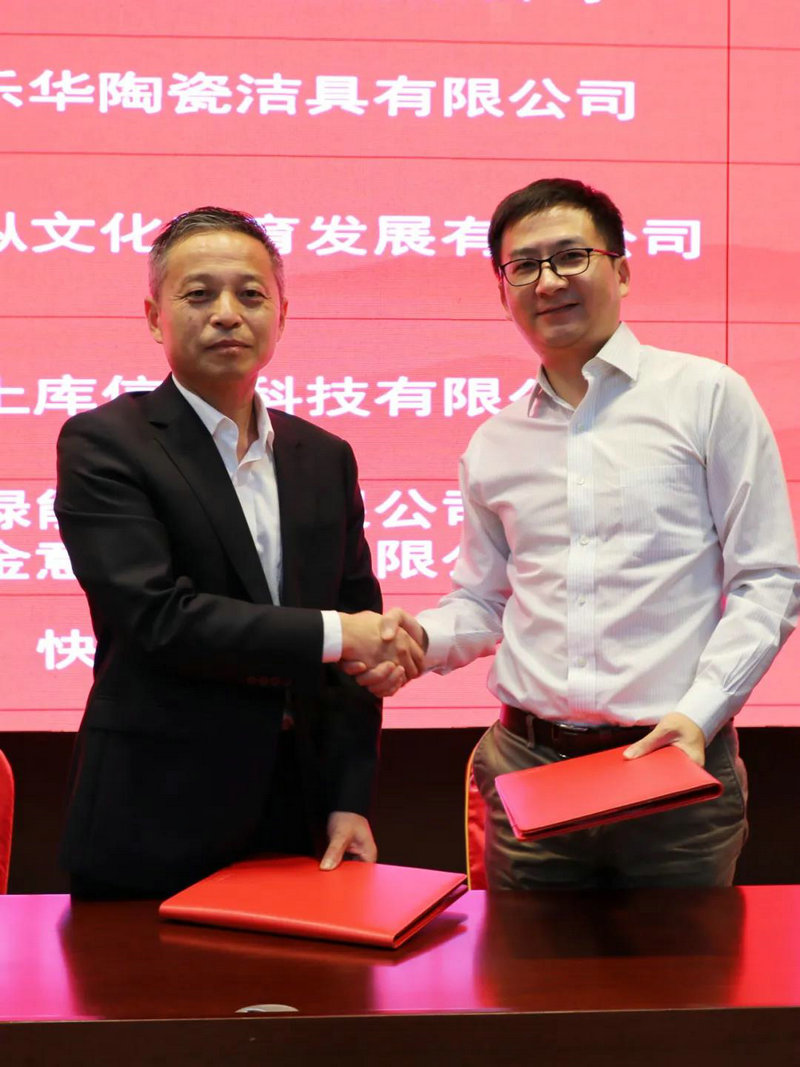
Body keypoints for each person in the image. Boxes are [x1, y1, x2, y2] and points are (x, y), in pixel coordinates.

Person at [349, 178, 800, 890]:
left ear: (622, 272)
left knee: (683, 966)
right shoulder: (495, 441)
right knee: (527, 966)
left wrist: (700, 713)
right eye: (523, 266)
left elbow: (768, 579)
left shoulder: (708, 396)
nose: (548, 281)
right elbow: (485, 602)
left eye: (570, 257)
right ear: (503, 292)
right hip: (529, 772)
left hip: (674, 765)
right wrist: (416, 641)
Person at [55, 206, 423, 899]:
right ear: (154, 316)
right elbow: (158, 617)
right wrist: (338, 634)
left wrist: (349, 797)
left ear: (282, 314)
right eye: (199, 294)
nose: (227, 313)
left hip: (302, 816)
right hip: (153, 816)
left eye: (250, 294)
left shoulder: (324, 457)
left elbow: (358, 642)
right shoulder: (106, 443)